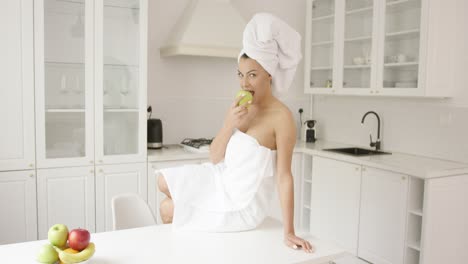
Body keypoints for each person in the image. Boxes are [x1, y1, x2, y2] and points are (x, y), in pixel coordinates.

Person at [156, 13, 313, 253]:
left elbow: (284, 177)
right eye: (241, 74)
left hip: (242, 203)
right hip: (222, 180)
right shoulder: (243, 107)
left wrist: (289, 231)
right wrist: (228, 124)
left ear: (269, 74)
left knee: (168, 208)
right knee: (162, 181)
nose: (244, 83)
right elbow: (215, 157)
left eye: (252, 74)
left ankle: (182, 254)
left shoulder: (282, 118)